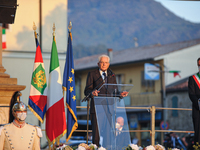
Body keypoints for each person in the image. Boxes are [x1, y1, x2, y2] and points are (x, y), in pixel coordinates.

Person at [84, 55, 128, 147]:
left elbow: (114, 91)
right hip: (97, 109)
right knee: (96, 136)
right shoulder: (92, 74)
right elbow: (87, 91)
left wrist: (120, 94)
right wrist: (92, 93)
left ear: (109, 64)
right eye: (102, 62)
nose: (104, 64)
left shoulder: (112, 75)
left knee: (108, 136)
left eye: (106, 62)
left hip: (109, 110)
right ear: (98, 63)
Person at [188, 57, 200, 144]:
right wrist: (199, 103)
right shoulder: (193, 78)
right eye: (199, 65)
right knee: (198, 134)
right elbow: (191, 94)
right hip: (198, 109)